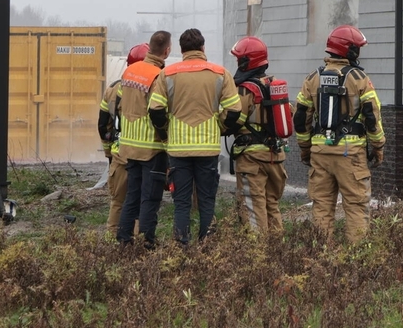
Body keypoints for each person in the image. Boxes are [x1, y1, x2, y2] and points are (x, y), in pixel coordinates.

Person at [294, 25, 386, 244]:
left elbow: (301, 118)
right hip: (350, 155)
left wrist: (306, 149)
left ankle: (321, 259)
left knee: (322, 207)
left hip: (320, 154)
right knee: (355, 206)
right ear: (350, 51)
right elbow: (372, 117)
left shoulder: (312, 78)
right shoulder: (360, 78)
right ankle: (356, 260)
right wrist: (378, 147)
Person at [149, 28, 241, 245]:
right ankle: (207, 247)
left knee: (181, 203)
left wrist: (167, 130)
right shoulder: (220, 73)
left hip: (178, 150)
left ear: (181, 50)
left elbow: (155, 110)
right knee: (207, 201)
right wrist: (219, 127)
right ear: (202, 48)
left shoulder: (167, 74)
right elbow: (235, 111)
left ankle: (181, 246)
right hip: (208, 149)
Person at [116, 31, 171, 247]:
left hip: (129, 146)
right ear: (167, 51)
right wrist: (167, 138)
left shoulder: (129, 71)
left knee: (132, 195)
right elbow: (157, 111)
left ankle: (124, 238)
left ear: (149, 48)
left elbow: (120, 105)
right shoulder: (159, 76)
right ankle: (147, 240)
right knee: (150, 197)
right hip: (151, 147)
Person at [229, 36, 288, 235]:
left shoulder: (245, 91)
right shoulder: (275, 86)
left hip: (252, 160)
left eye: (240, 60)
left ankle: (258, 257)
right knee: (272, 205)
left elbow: (234, 119)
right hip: (276, 157)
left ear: (247, 61)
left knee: (253, 207)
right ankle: (277, 252)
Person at [97, 42, 149, 236]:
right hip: (145, 156)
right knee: (140, 202)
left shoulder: (112, 90)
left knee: (118, 202)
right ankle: (136, 244)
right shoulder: (153, 87)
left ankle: (112, 240)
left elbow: (103, 125)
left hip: (120, 155)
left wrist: (109, 152)